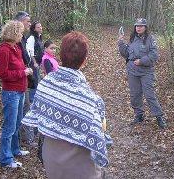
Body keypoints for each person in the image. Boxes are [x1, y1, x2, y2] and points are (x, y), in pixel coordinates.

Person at [22, 31, 110, 178]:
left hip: (51, 160)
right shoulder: (91, 100)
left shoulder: (45, 85)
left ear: (61, 56)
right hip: (80, 166)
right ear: (84, 60)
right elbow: (98, 140)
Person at [118, 18, 166, 129]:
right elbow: (126, 54)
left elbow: (154, 55)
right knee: (135, 94)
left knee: (149, 94)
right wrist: (121, 43)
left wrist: (142, 61)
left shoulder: (150, 39)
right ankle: (139, 115)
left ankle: (159, 116)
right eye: (137, 26)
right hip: (132, 71)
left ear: (145, 27)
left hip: (146, 71)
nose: (138, 28)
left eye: (141, 26)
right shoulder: (132, 38)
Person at [0, 20, 33, 168]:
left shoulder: (16, 48)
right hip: (10, 92)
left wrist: (25, 70)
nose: (21, 36)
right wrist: (22, 72)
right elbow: (2, 74)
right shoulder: (4, 50)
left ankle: (15, 149)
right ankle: (5, 158)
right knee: (9, 126)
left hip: (20, 90)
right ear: (14, 33)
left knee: (17, 123)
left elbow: (18, 66)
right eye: (20, 33)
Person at [14, 11, 36, 147]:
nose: (30, 23)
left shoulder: (23, 38)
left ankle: (24, 138)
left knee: (25, 108)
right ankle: (25, 139)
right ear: (21, 22)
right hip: (17, 82)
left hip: (24, 80)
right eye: (28, 21)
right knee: (22, 110)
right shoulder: (14, 40)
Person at [26, 21, 43, 103]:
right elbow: (30, 51)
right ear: (34, 29)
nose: (40, 28)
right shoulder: (31, 38)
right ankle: (31, 100)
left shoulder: (38, 37)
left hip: (38, 62)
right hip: (33, 63)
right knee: (34, 81)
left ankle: (34, 98)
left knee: (37, 80)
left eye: (41, 26)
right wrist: (35, 62)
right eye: (38, 27)